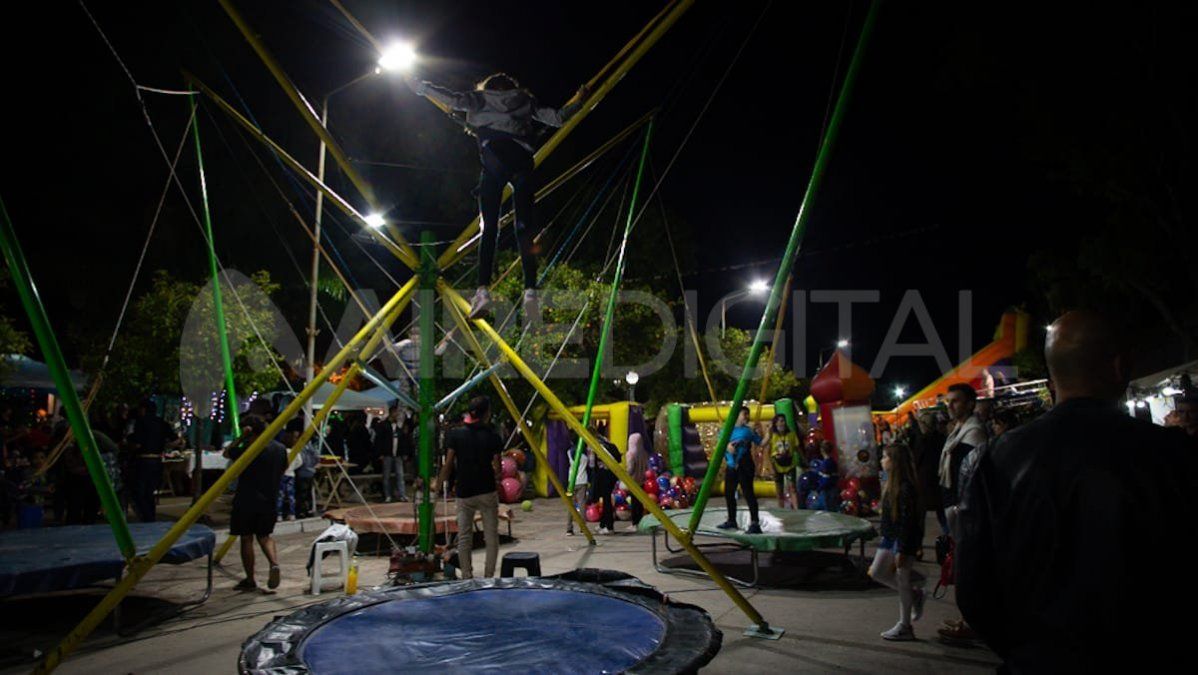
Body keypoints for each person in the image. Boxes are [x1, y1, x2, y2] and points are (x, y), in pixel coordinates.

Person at [957, 311, 1196, 670]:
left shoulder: (992, 461)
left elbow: (974, 592)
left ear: (1052, 377)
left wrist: (1031, 651)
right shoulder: (1174, 457)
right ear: (1120, 367)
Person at [406, 72, 589, 319]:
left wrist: (419, 86)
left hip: (496, 159)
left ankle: (482, 292)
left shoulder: (479, 99)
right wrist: (578, 100)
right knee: (523, 227)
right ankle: (531, 292)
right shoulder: (524, 100)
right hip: (522, 160)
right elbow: (557, 118)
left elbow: (450, 99)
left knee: (489, 228)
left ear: (488, 87)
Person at [435, 396, 503, 579]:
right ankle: (488, 576)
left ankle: (467, 576)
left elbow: (448, 464)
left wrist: (439, 486)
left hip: (464, 491)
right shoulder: (493, 436)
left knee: (464, 537)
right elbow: (498, 467)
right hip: (487, 490)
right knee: (491, 537)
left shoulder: (456, 435)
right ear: (486, 413)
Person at [868, 442, 926, 641]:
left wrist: (903, 549)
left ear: (895, 462)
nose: (882, 460)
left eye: (885, 457)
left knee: (902, 579)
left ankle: (905, 626)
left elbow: (909, 521)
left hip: (902, 540)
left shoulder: (905, 488)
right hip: (890, 537)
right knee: (876, 572)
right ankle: (915, 595)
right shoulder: (891, 483)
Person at [226, 415, 288, 591]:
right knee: (265, 536)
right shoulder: (280, 449)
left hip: (246, 498)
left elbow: (227, 453)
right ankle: (274, 563)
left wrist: (241, 438)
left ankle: (250, 578)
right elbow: (284, 468)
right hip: (270, 498)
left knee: (246, 538)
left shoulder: (248, 448)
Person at [127, 398, 181, 522]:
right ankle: (150, 516)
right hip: (157, 459)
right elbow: (176, 440)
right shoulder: (161, 423)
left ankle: (146, 516)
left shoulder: (140, 422)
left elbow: (137, 444)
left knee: (139, 491)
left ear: (143, 409)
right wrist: (163, 445)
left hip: (143, 459)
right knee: (150, 491)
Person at [718, 407, 763, 534]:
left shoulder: (747, 431)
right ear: (737, 415)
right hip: (732, 466)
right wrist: (727, 446)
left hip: (745, 465)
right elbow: (721, 443)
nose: (747, 417)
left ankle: (755, 522)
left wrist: (768, 434)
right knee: (729, 493)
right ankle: (732, 520)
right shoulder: (726, 430)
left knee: (748, 492)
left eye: (748, 415)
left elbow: (760, 442)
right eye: (745, 414)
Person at [372, 405, 409, 502]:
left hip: (397, 454)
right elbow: (379, 440)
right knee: (387, 476)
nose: (397, 415)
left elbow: (403, 441)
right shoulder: (384, 426)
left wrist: (404, 452)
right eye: (395, 413)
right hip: (387, 454)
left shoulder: (398, 427)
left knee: (400, 475)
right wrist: (380, 453)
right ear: (392, 413)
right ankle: (388, 495)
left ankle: (402, 494)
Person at [765, 415, 802, 509]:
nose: (783, 423)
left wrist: (804, 460)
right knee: (779, 490)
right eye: (780, 421)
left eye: (784, 421)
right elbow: (767, 451)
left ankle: (796, 509)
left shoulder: (791, 434)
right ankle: (781, 508)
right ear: (776, 423)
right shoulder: (772, 435)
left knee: (792, 487)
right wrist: (770, 467)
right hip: (777, 465)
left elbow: (797, 448)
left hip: (790, 464)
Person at [592, 430, 622, 535]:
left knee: (606, 501)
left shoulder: (597, 445)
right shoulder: (606, 442)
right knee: (606, 500)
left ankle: (609, 526)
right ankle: (603, 524)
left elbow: (592, 463)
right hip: (612, 474)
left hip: (605, 474)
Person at [565, 440, 590, 536]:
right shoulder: (584, 456)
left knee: (570, 504)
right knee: (582, 504)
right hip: (582, 480)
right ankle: (583, 528)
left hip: (571, 481)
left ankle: (569, 529)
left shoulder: (569, 452)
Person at [625, 431, 648, 526]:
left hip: (633, 481)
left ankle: (635, 523)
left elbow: (630, 469)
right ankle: (640, 521)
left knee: (634, 503)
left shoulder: (630, 454)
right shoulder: (643, 453)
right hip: (642, 480)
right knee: (639, 502)